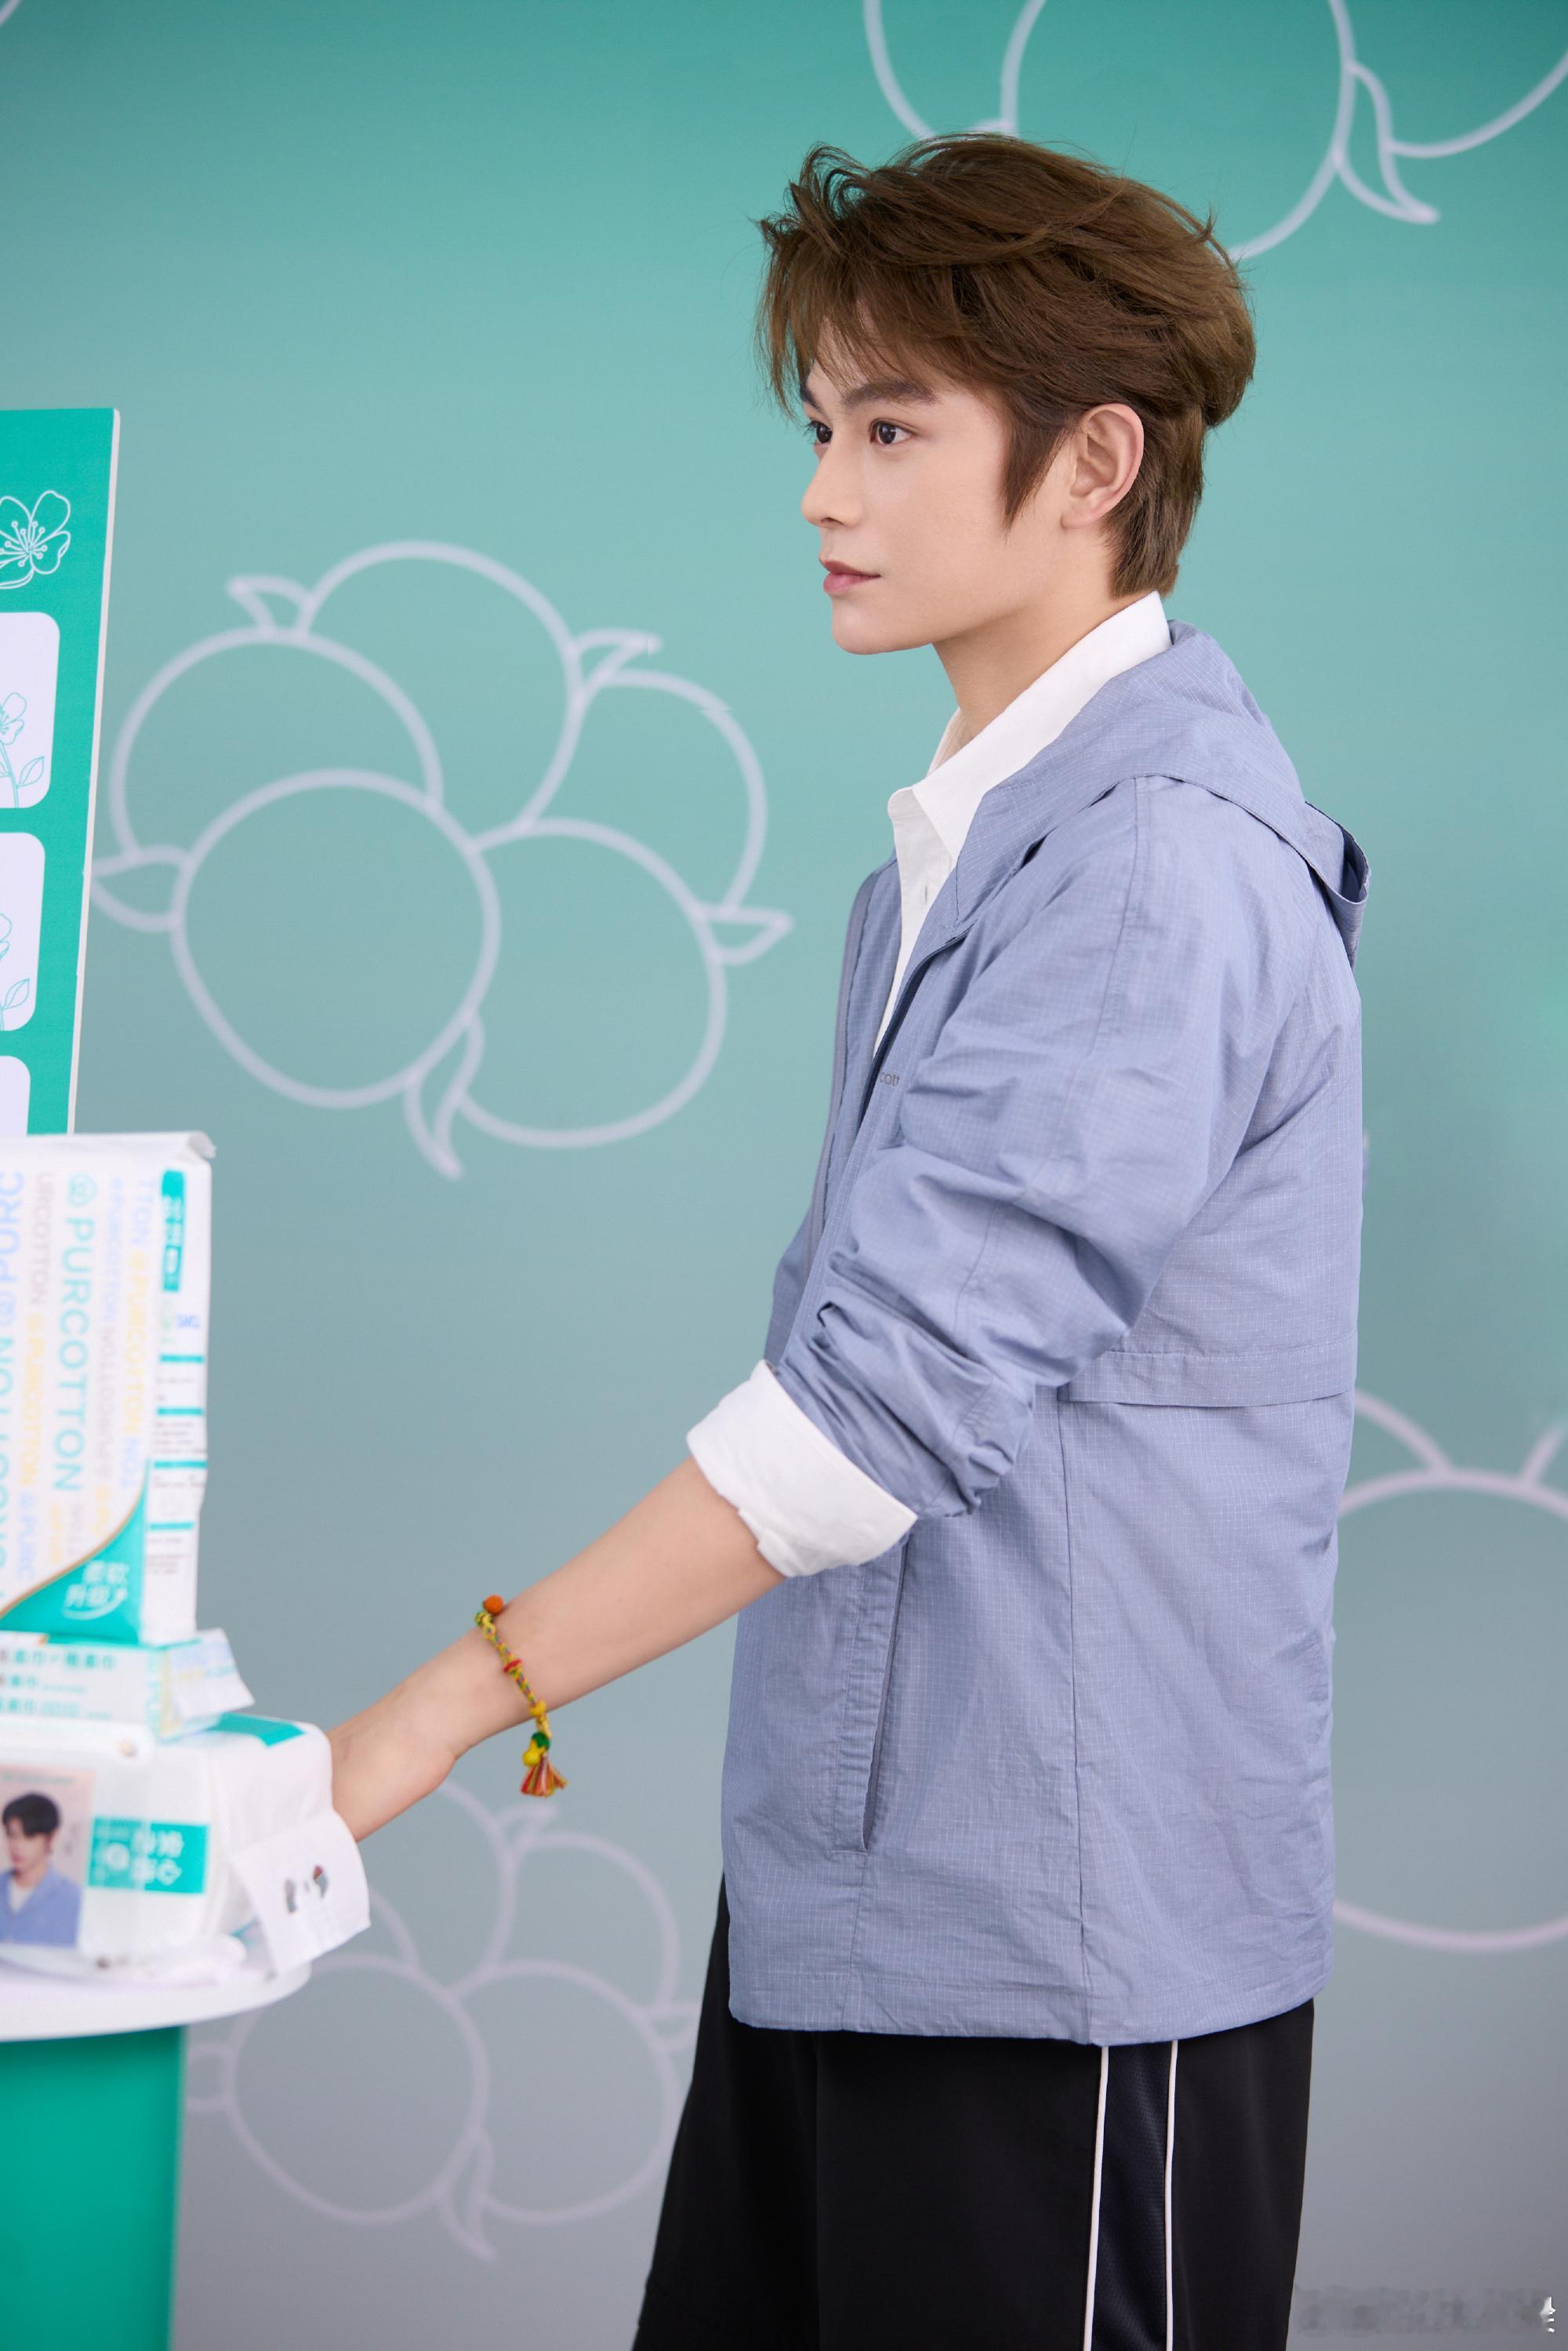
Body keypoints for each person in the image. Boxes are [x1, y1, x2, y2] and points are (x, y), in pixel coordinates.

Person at [328, 132, 1368, 2349]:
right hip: (867, 1914)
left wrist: (440, 1704)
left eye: (890, 431)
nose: (822, 491)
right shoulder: (966, 856)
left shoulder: (1153, 867)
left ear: (1094, 462)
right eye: (820, 426)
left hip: (1060, 1958)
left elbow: (867, 1412)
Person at [0, 1790, 83, 1947]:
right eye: (12, 1835)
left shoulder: (74, 1900)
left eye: (29, 1837)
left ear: (51, 1837)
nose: (17, 1846)